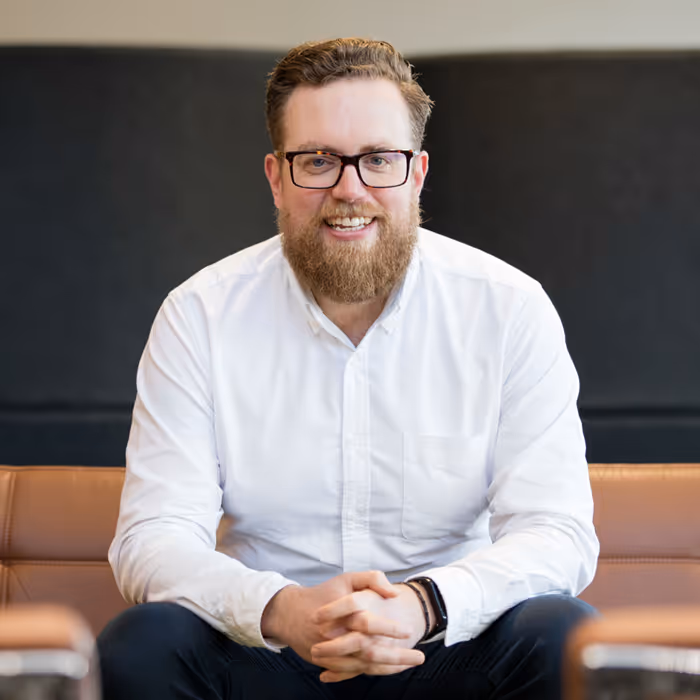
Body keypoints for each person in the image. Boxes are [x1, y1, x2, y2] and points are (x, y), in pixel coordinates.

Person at [97, 37, 599, 700]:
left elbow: (557, 534)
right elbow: (153, 538)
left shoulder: (509, 310)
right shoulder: (199, 316)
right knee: (142, 644)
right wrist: (283, 610)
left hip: (446, 650)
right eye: (318, 161)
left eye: (378, 160)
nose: (349, 189)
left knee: (562, 634)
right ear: (276, 177)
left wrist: (423, 604)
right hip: (268, 654)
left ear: (416, 174)